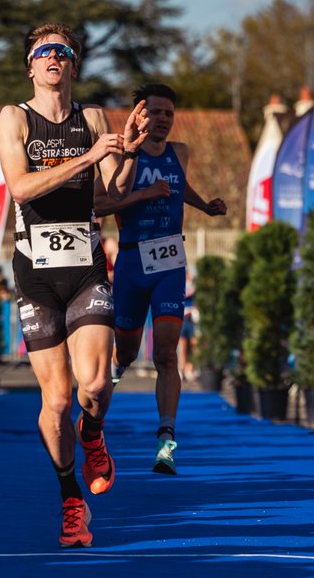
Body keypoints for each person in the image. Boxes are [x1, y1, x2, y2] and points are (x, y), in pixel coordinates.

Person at [0, 23, 149, 548]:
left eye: (63, 52)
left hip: (85, 264)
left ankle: (93, 433)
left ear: (73, 66)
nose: (54, 58)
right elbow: (20, 185)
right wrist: (84, 159)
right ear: (31, 68)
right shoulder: (14, 118)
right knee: (56, 399)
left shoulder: (92, 118)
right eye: (44, 53)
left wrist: (127, 154)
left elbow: (110, 193)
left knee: (95, 385)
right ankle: (70, 499)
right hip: (35, 272)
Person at [96, 82, 226, 475]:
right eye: (155, 112)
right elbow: (102, 201)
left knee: (167, 353)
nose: (163, 120)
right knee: (126, 353)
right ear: (140, 113)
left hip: (170, 260)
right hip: (132, 262)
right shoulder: (120, 153)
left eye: (169, 113)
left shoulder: (179, 152)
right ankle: (97, 414)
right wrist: (144, 193)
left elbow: (179, 185)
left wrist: (205, 205)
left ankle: (166, 440)